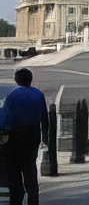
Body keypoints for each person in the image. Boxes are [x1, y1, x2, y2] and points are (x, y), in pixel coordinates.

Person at [0, 67, 48, 205]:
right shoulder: (38, 94)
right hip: (32, 135)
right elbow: (44, 117)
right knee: (29, 166)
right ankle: (33, 196)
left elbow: (5, 119)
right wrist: (45, 135)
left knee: (13, 169)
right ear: (30, 80)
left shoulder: (13, 95)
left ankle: (17, 198)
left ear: (16, 80)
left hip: (15, 136)